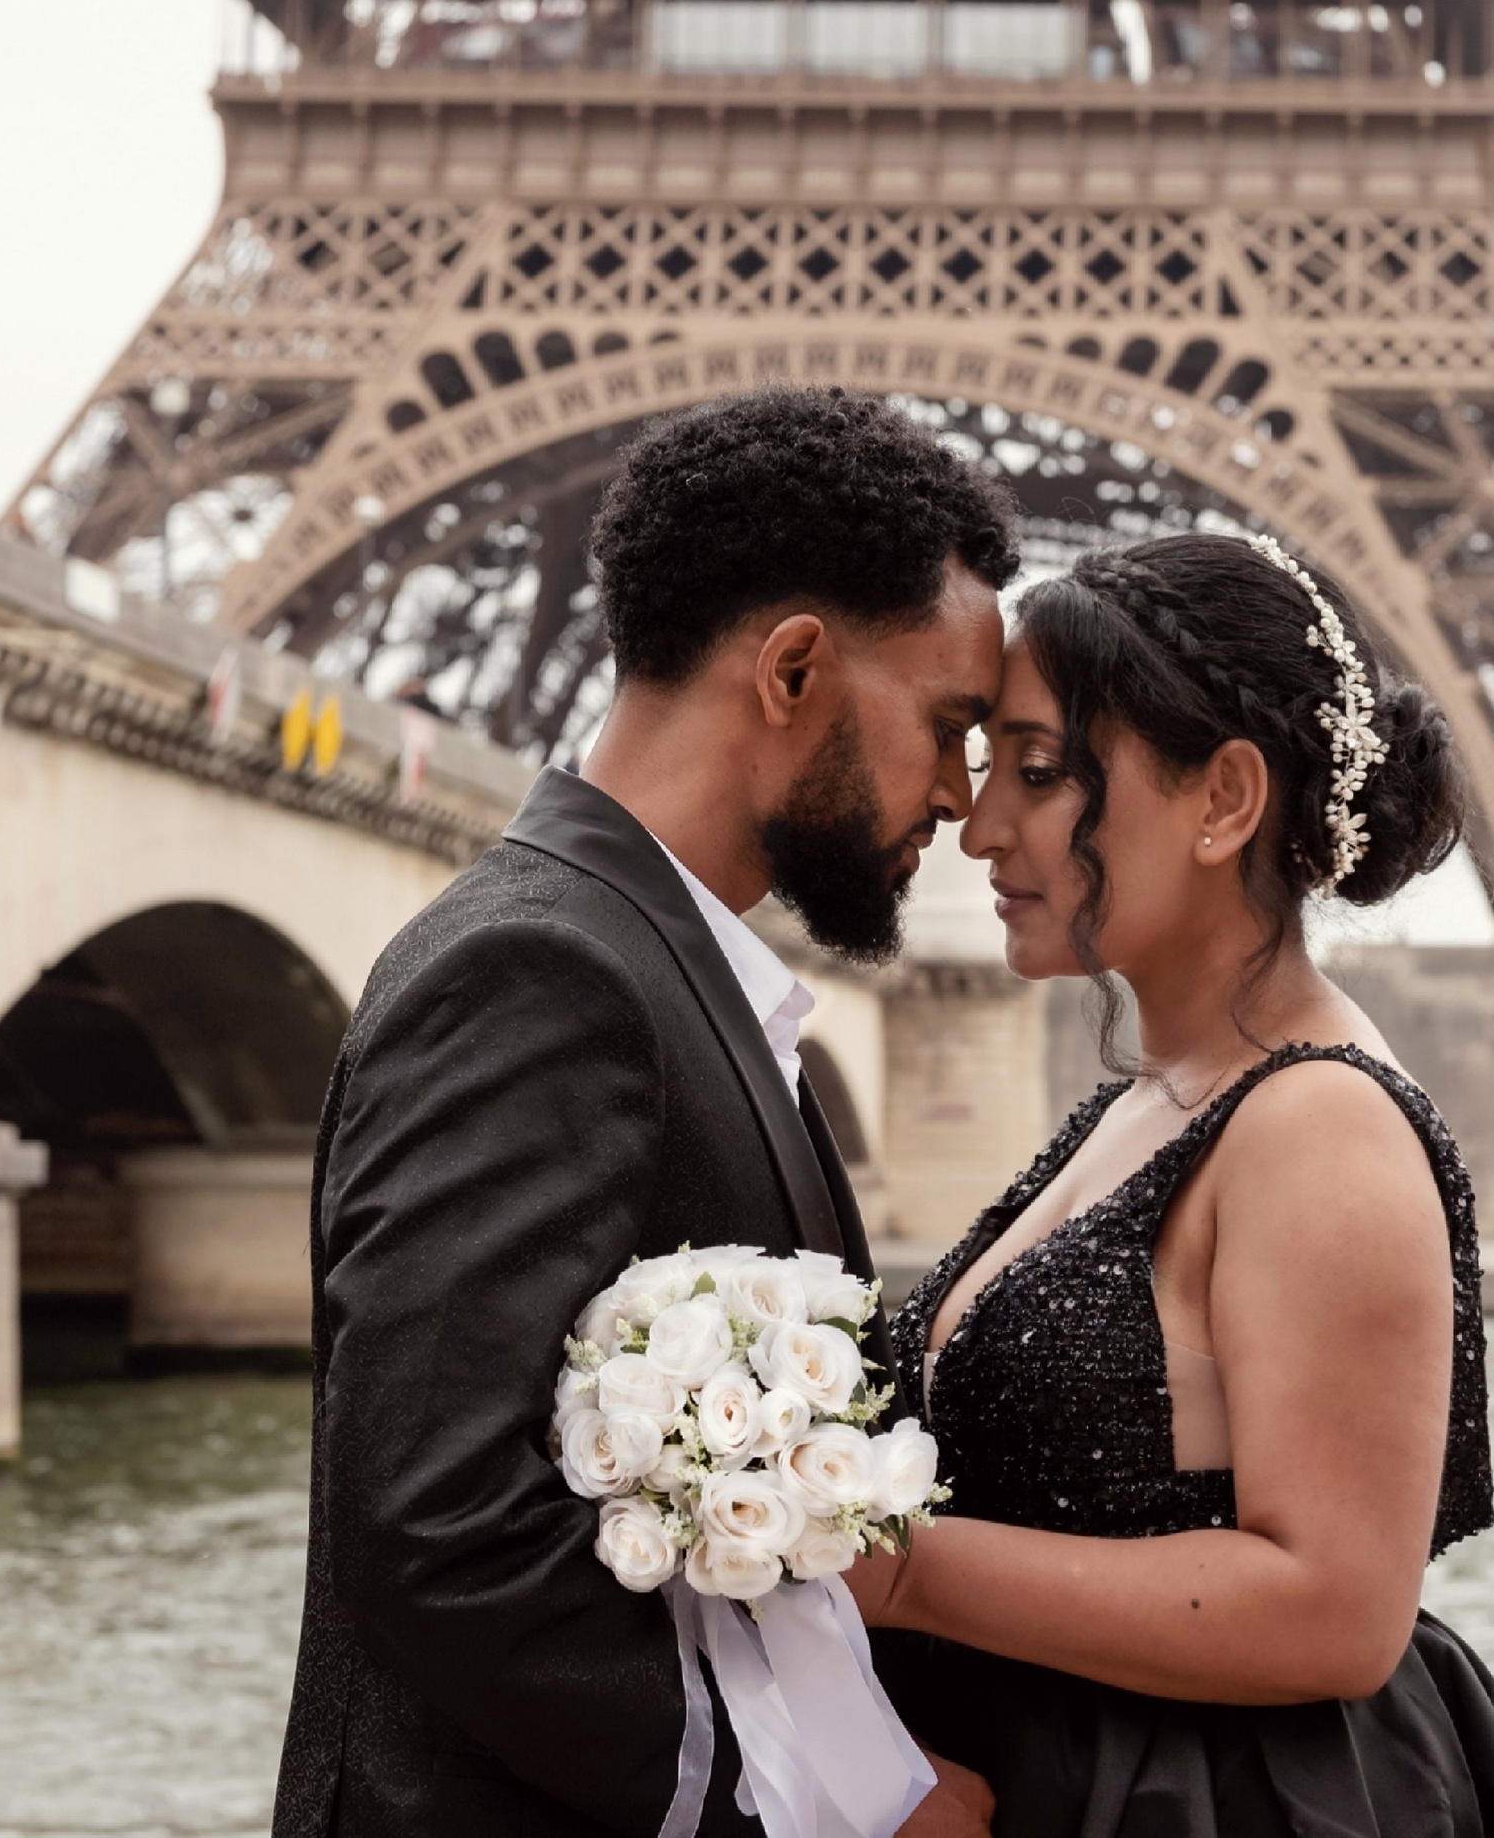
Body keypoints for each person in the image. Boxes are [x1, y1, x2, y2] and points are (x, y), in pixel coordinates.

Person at [271, 387, 1016, 1838]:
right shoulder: (539, 970)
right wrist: (813, 1812)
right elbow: (435, 1525)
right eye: (949, 725)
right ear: (793, 667)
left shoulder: (652, 965)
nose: (960, 796)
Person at [851, 533, 1494, 1837]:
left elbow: (1336, 1612)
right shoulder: (1167, 1094)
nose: (982, 826)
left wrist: (889, 1572)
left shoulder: (1317, 1123)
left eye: (1044, 773)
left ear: (1226, 798)